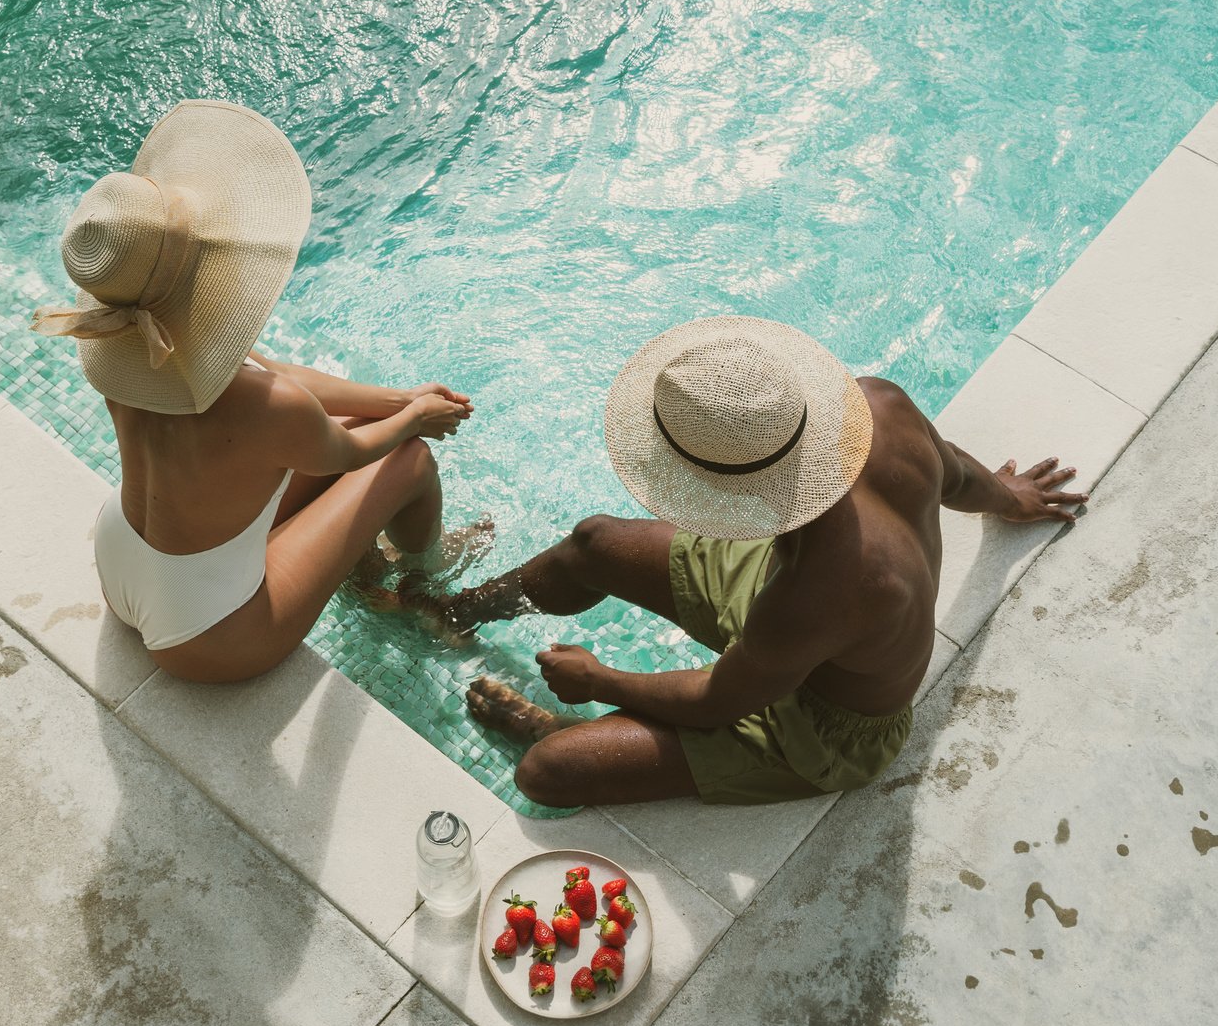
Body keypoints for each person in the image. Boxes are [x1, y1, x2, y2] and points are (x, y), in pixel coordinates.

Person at [419, 316, 1085, 807]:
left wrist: (601, 680)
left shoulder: (818, 593)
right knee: (596, 543)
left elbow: (716, 700)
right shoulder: (877, 407)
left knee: (549, 771)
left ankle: (564, 727)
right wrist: (1011, 498)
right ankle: (452, 614)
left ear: (731, 494)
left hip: (827, 726)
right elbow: (958, 475)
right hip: (785, 604)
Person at [32, 100, 476, 682]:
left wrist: (400, 399)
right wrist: (415, 420)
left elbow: (277, 375)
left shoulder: (124, 346)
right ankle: (428, 580)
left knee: (360, 438)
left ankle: (361, 559)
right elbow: (350, 453)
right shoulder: (266, 407)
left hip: (119, 563)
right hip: (206, 634)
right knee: (409, 461)